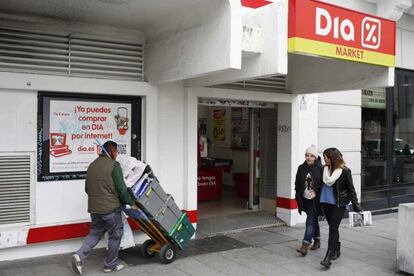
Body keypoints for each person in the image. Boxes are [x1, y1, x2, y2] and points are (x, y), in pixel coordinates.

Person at [71, 141, 138, 275]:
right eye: (117, 152)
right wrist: (131, 203)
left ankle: (79, 255)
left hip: (94, 209)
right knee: (115, 235)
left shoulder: (92, 165)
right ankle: (110, 265)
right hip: (111, 209)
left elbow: (87, 189)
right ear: (112, 151)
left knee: (95, 233)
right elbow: (121, 189)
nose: (117, 154)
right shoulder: (114, 165)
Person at [319, 147, 363, 269]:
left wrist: (356, 205)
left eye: (326, 157)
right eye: (323, 157)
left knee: (333, 228)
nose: (324, 159)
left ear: (332, 158)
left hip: (339, 204)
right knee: (333, 227)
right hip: (325, 203)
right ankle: (336, 248)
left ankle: (327, 257)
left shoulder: (345, 171)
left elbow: (351, 190)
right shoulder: (323, 170)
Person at [295, 145, 323, 256]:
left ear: (315, 157)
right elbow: (297, 183)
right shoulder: (301, 168)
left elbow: (323, 184)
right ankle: (317, 240)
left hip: (315, 201)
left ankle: (305, 245)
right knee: (313, 219)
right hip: (304, 199)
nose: (308, 158)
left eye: (311, 156)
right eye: (307, 155)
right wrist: (297, 194)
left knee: (310, 221)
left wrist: (317, 191)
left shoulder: (320, 168)